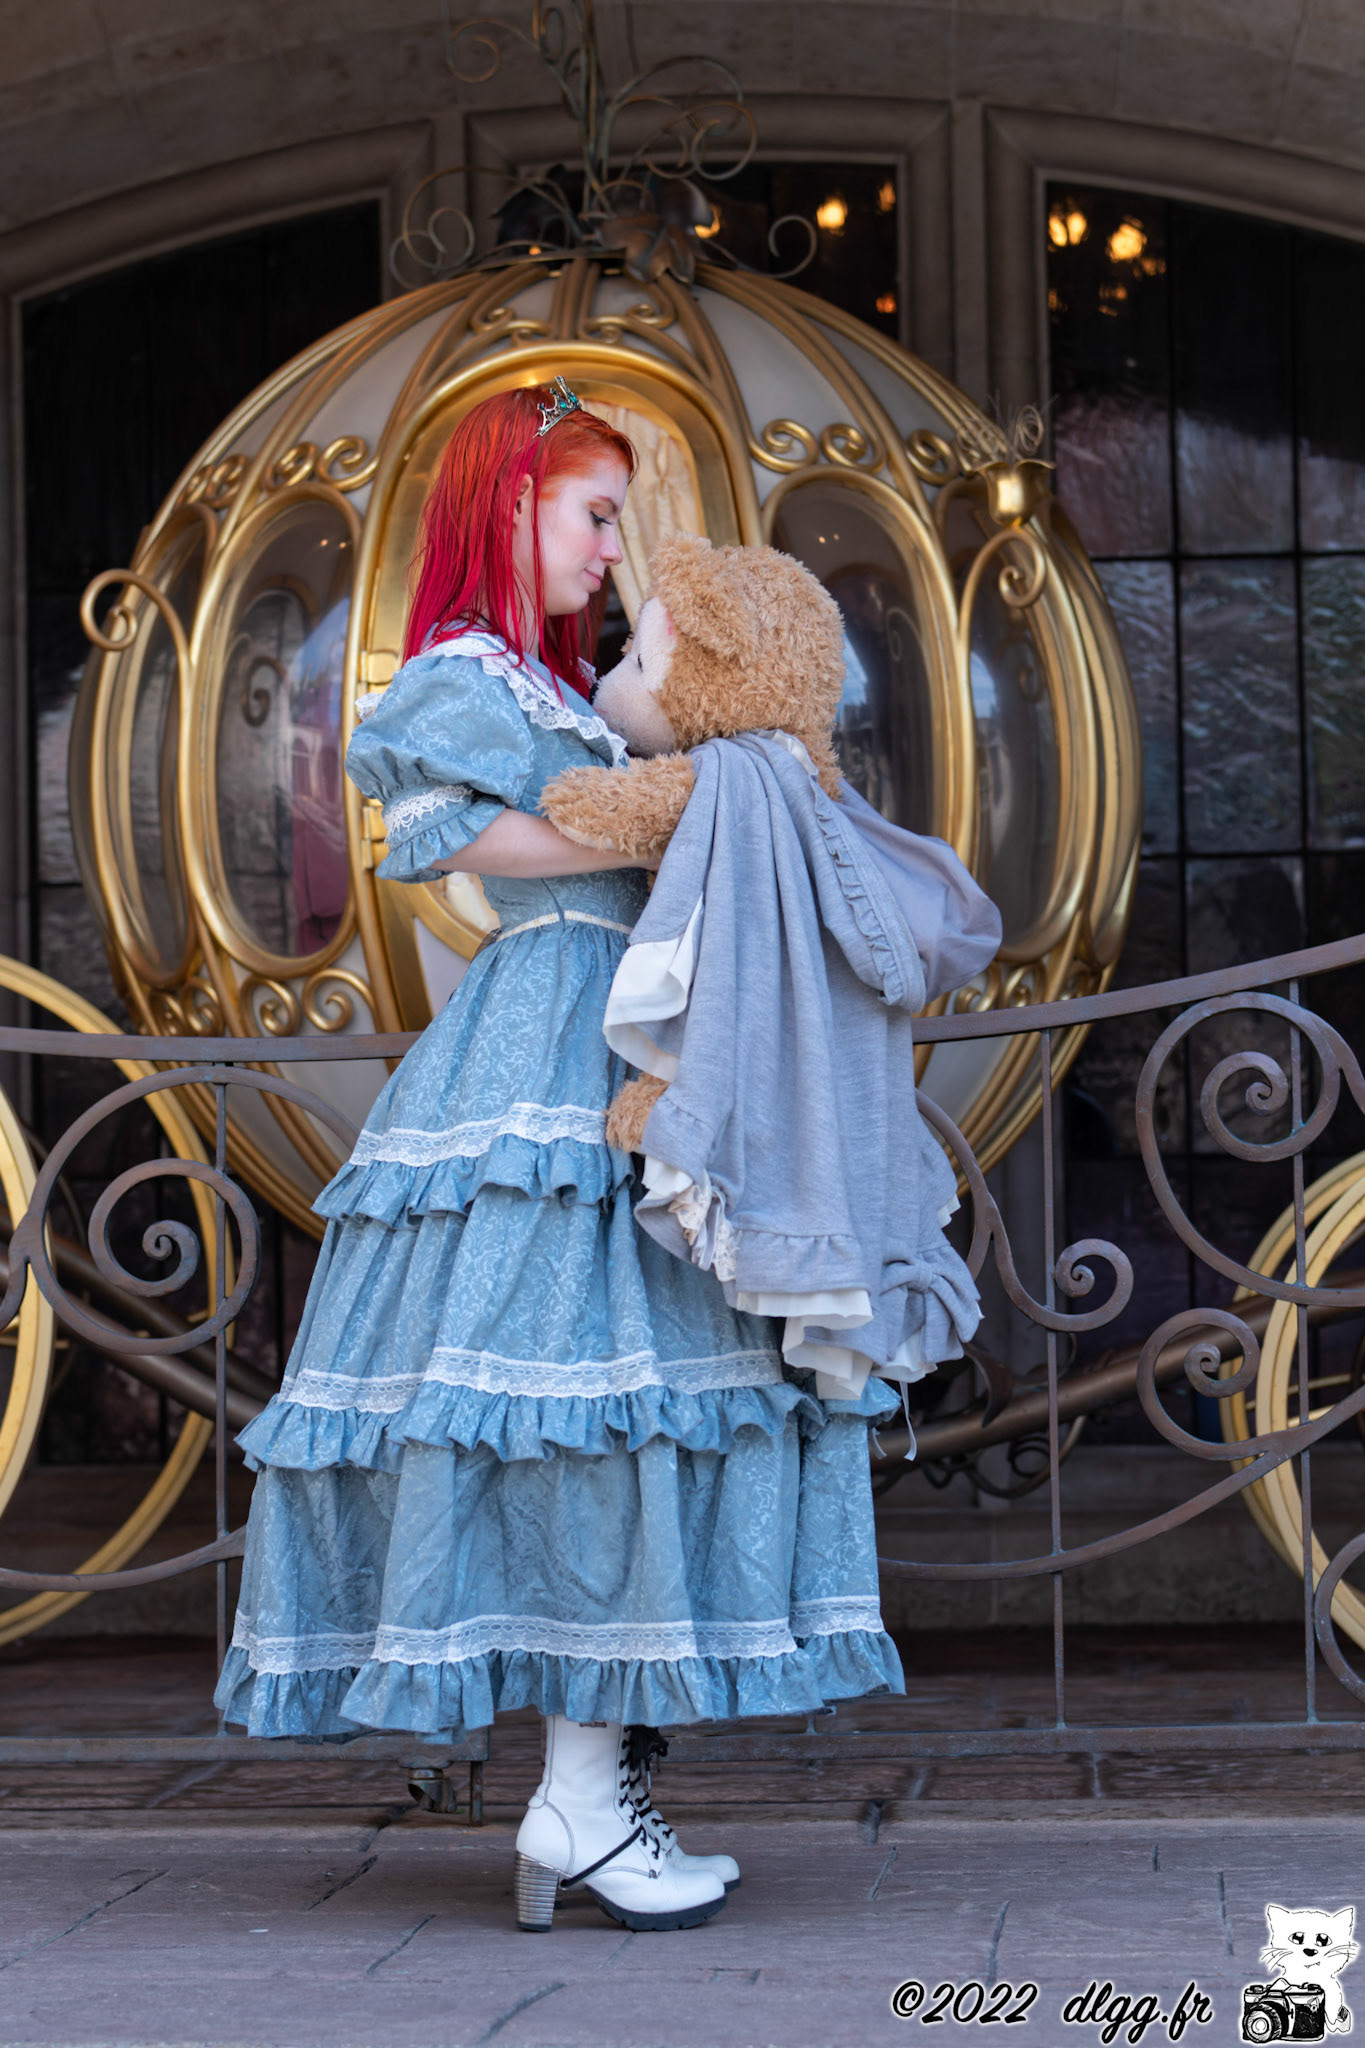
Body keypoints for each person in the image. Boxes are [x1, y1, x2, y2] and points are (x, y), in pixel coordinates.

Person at [216, 379, 905, 1934]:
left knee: (624, 1410)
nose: (610, 547)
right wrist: (693, 812)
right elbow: (442, 839)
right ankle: (582, 1800)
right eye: (593, 513)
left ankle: (588, 1790)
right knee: (590, 1403)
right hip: (552, 1045)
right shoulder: (464, 674)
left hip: (634, 1036)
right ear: (508, 505)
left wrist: (716, 803)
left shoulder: (551, 682)